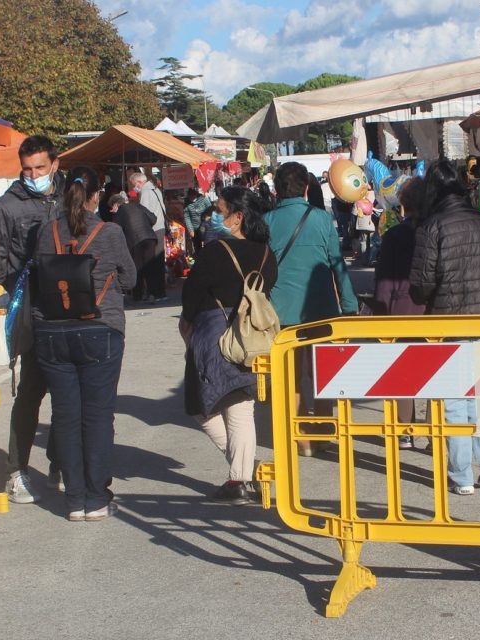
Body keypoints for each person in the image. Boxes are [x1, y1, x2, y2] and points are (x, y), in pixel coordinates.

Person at [32, 166, 137, 521]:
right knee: (98, 415)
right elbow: (130, 278)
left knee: (65, 414)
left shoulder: (46, 232)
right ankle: (96, 498)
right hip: (100, 329)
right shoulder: (110, 232)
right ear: (96, 196)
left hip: (52, 332)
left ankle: (74, 499)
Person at [409, 159, 480, 495]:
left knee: (455, 402)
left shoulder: (432, 226)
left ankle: (462, 475)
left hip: (449, 321)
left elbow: (421, 285)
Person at [179, 186, 278, 505]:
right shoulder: (266, 253)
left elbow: (191, 294)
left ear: (237, 217)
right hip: (252, 337)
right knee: (236, 404)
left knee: (207, 405)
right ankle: (246, 469)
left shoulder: (215, 251)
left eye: (219, 211)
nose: (213, 216)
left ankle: (239, 479)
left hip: (215, 335)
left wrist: (187, 323)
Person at [0, 134, 62, 504]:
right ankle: (17, 471)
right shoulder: (4, 207)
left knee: (68, 391)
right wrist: (19, 285)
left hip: (69, 310)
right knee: (31, 390)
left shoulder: (68, 198)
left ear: (54, 165)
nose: (34, 175)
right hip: (31, 310)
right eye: (27, 169)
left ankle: (61, 462)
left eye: (40, 168)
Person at [265, 162, 359, 456]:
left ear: (277, 189)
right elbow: (337, 265)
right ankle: (322, 433)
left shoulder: (267, 221)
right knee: (322, 373)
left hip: (281, 312)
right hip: (321, 309)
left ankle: (300, 437)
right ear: (306, 188)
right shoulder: (321, 219)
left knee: (290, 376)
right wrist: (349, 305)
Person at [373, 176, 426, 449]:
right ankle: (435, 431)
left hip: (400, 308)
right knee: (437, 368)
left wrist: (380, 313)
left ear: (403, 206)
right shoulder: (435, 230)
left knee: (402, 371)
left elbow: (383, 281)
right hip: (433, 309)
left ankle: (404, 430)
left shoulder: (394, 236)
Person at [128, 171, 167, 302]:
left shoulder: (145, 192)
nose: (134, 188)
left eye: (134, 184)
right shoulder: (156, 189)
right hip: (160, 227)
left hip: (153, 230)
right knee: (159, 261)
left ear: (140, 182)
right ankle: (161, 292)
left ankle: (155, 292)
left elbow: (143, 214)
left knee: (152, 263)